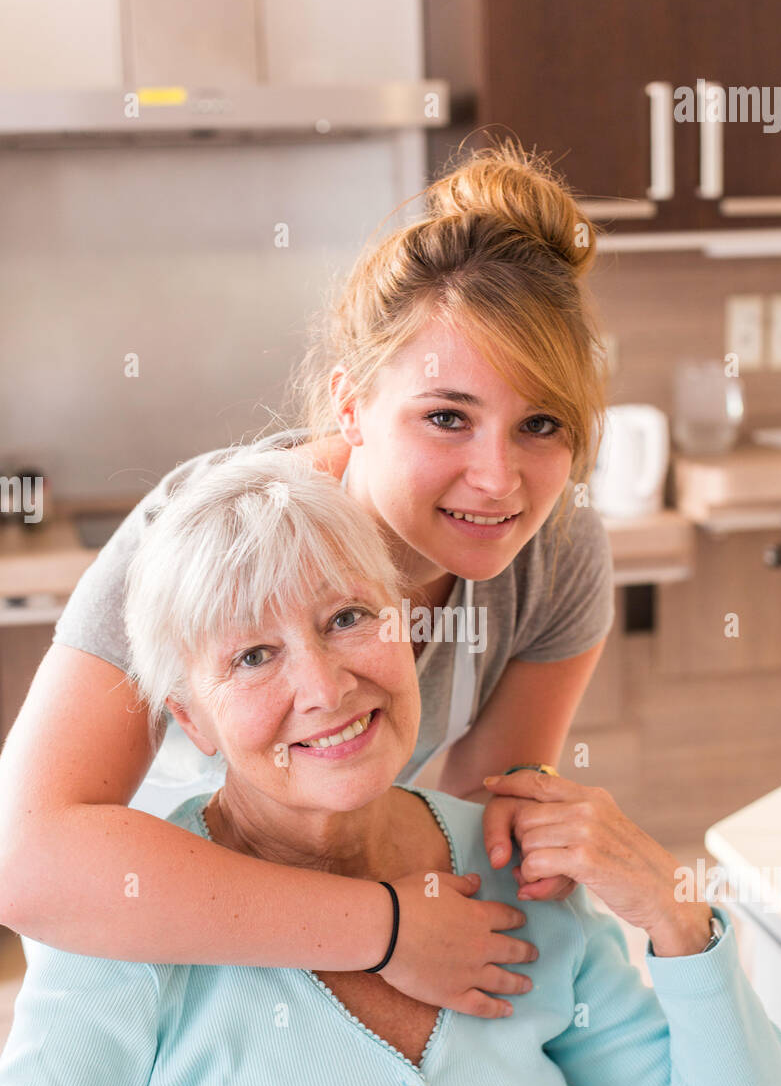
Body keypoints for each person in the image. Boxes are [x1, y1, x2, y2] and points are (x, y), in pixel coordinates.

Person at [0, 449, 781, 1086]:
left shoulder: (515, 872)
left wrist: (676, 918)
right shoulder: (125, 938)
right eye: (252, 657)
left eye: (348, 617)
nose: (325, 686)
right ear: (191, 720)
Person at [0, 139, 614, 1017]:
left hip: (356, 944)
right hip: (151, 952)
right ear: (352, 405)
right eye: (448, 417)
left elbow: (473, 832)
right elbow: (25, 861)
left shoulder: (557, 556)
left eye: (542, 424)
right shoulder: (209, 530)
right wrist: (384, 928)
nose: (499, 479)